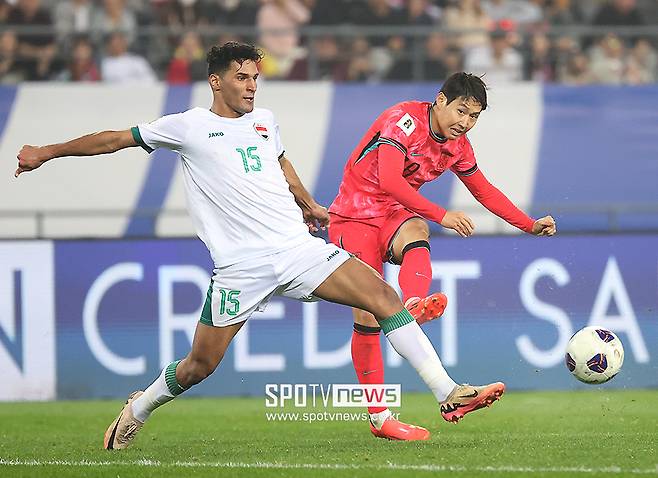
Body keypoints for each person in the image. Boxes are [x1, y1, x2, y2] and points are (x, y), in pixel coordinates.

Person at [14, 42, 506, 450]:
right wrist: (46, 152)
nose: (252, 86)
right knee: (199, 366)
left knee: (384, 299)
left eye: (255, 77)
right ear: (216, 81)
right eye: (243, 77)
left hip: (297, 249)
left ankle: (448, 392)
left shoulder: (265, 120)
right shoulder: (188, 126)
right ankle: (138, 408)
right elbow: (115, 139)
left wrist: (310, 205)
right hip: (240, 269)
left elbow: (279, 162)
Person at [328, 72, 556, 441]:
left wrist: (528, 224)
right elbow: (389, 179)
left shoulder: (458, 145)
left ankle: (414, 303)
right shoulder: (403, 120)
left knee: (417, 230)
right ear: (440, 100)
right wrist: (443, 214)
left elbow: (484, 190)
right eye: (461, 111)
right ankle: (380, 417)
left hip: (392, 215)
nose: (465, 123)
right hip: (352, 216)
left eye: (474, 117)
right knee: (368, 312)